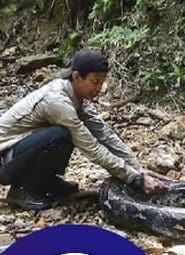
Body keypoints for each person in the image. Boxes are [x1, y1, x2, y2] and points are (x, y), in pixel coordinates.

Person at [0, 48, 165, 210]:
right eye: (95, 81)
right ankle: (22, 190)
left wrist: (137, 169)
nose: (99, 88)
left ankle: (45, 182)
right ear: (77, 77)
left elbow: (105, 134)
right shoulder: (57, 101)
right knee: (59, 136)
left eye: (102, 82)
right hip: (4, 160)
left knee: (63, 136)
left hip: (18, 153)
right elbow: (91, 147)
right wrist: (134, 179)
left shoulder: (79, 97)